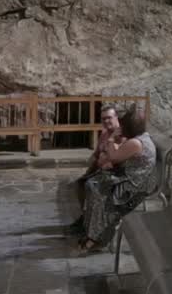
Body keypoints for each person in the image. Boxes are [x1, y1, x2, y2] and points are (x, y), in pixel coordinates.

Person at [79, 107, 157, 252]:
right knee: (91, 184)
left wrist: (111, 138)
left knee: (97, 191)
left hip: (134, 185)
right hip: (132, 177)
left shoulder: (136, 143)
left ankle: (98, 237)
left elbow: (113, 157)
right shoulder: (141, 138)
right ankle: (91, 231)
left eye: (124, 125)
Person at [66, 105, 121, 234]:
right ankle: (85, 218)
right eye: (103, 119)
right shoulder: (104, 133)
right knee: (80, 183)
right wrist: (88, 171)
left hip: (113, 172)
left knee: (92, 186)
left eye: (109, 118)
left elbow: (116, 159)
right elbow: (96, 155)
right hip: (101, 170)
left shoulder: (121, 135)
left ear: (116, 117)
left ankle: (95, 225)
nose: (106, 121)